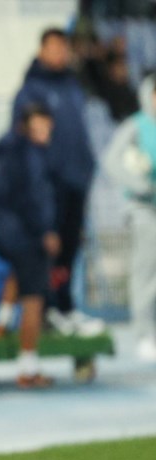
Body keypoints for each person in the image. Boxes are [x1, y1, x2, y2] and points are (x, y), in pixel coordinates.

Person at [13, 27, 103, 337]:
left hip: (76, 181)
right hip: (49, 184)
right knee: (49, 248)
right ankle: (49, 307)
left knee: (69, 249)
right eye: (54, 47)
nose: (60, 53)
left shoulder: (72, 85)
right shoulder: (32, 90)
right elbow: (23, 139)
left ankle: (64, 304)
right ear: (42, 50)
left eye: (64, 48)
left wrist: (86, 167)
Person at [0, 104, 59, 389]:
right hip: (22, 233)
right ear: (26, 125)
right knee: (34, 297)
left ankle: (1, 321)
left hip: (3, 229)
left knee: (21, 272)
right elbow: (32, 199)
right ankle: (27, 368)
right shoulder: (29, 155)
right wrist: (45, 231)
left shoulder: (11, 151)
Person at [100, 74, 156, 362]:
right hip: (145, 210)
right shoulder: (136, 126)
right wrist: (141, 184)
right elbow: (112, 161)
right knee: (146, 274)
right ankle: (145, 333)